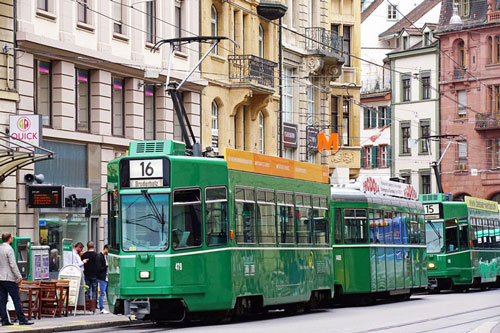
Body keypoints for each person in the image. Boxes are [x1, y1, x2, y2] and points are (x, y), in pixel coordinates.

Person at [0, 232, 33, 326]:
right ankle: (22, 319)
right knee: (16, 299)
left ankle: (5, 320)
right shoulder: (9, 249)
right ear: (10, 239)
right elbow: (13, 265)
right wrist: (19, 276)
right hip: (9, 278)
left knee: (2, 300)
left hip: (1, 278)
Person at [96, 245, 109, 314]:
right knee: (102, 293)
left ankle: (109, 307)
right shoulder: (99, 256)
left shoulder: (105, 256)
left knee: (107, 293)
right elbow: (99, 268)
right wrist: (106, 267)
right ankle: (101, 308)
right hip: (102, 277)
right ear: (105, 249)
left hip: (106, 277)